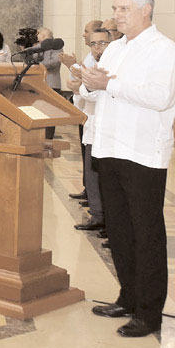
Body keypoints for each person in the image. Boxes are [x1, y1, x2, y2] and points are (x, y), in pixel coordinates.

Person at [79, 0, 175, 337]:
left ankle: (149, 312)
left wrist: (110, 86)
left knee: (146, 234)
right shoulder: (114, 49)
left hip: (142, 154)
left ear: (145, 11)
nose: (116, 15)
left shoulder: (163, 49)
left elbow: (160, 97)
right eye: (115, 8)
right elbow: (91, 92)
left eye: (123, 9)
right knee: (120, 231)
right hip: (109, 148)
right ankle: (127, 295)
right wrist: (89, 84)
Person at [70, 28, 111, 234]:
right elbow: (85, 98)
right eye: (93, 44)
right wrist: (80, 88)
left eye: (102, 43)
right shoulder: (93, 64)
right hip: (91, 126)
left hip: (108, 131)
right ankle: (97, 216)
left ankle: (107, 220)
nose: (97, 48)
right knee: (91, 174)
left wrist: (82, 87)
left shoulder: (112, 63)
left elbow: (104, 94)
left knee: (104, 179)